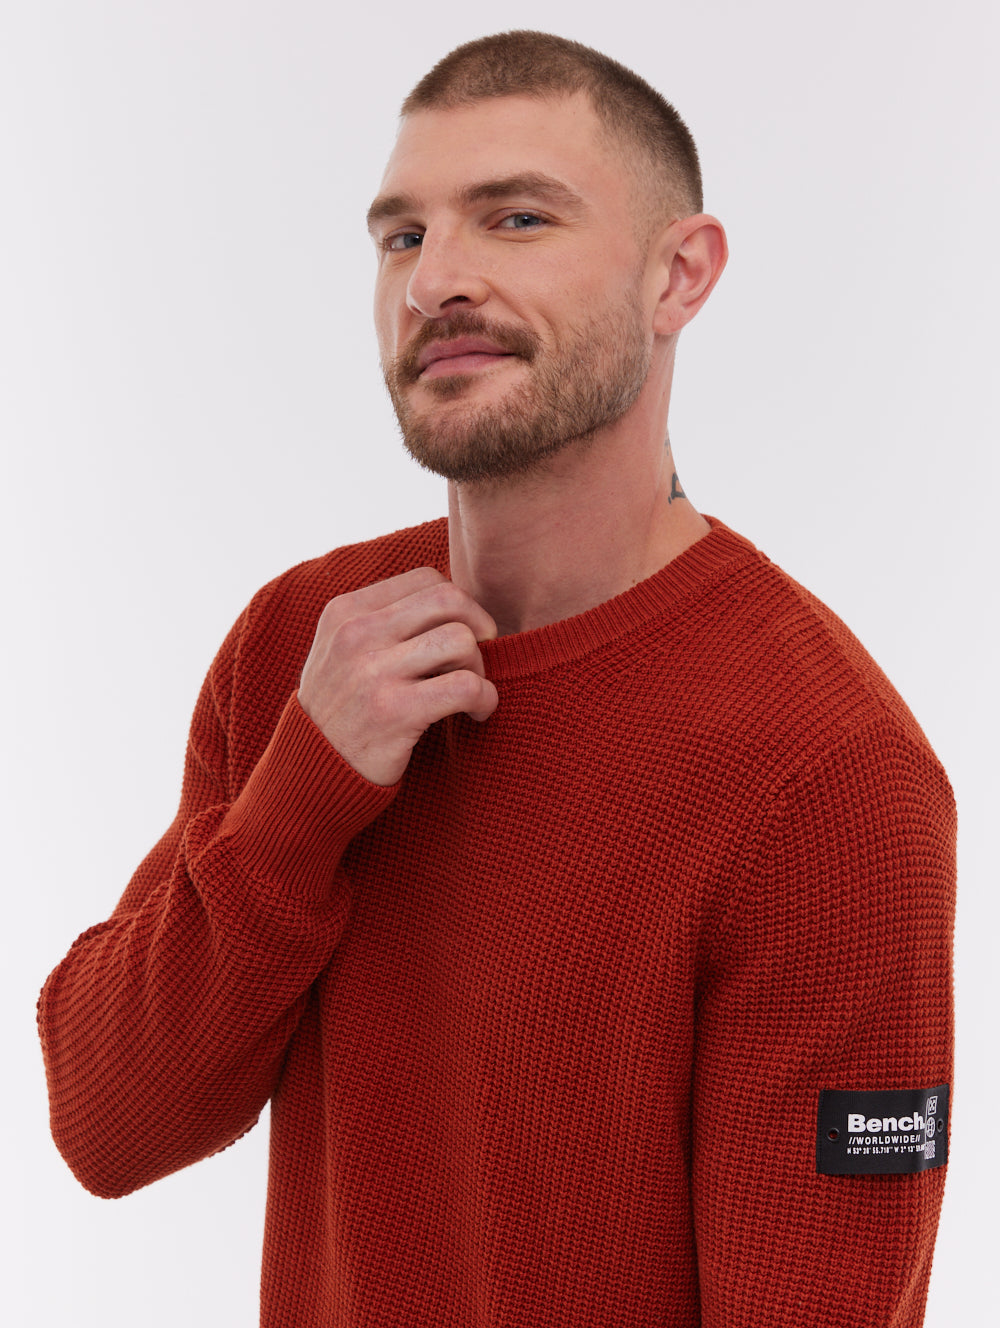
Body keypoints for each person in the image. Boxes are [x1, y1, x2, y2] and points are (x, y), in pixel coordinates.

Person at [39, 30, 955, 1328]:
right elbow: (106, 1122)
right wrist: (301, 801)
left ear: (679, 275)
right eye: (401, 237)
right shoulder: (304, 644)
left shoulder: (825, 772)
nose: (436, 282)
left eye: (517, 218)